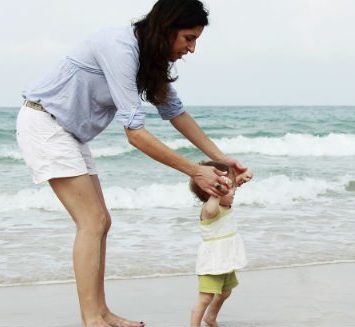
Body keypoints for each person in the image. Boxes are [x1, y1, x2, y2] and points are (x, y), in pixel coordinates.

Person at [15, 1, 247, 326]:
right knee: (92, 221)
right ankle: (91, 319)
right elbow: (135, 134)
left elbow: (174, 112)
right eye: (188, 38)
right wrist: (195, 170)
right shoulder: (121, 48)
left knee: (101, 222)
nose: (192, 49)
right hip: (45, 123)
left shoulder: (148, 59)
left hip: (69, 133)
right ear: (166, 29)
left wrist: (222, 159)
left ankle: (101, 312)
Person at [188, 161, 252, 327]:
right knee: (205, 298)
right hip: (213, 261)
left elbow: (231, 188)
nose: (234, 191)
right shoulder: (211, 208)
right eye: (228, 187)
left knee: (225, 291)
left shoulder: (225, 201)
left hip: (226, 259)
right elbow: (211, 210)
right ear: (212, 191)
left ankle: (210, 317)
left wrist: (240, 178)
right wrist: (217, 193)